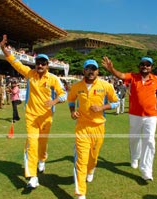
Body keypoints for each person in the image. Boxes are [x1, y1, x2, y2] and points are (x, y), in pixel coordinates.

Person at [0, 34, 67, 188]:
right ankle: (33, 177)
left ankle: (42, 160)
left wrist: (54, 101)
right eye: (38, 63)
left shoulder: (53, 79)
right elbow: (15, 63)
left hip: (46, 117)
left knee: (42, 145)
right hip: (31, 116)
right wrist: (4, 49)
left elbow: (64, 95)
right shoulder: (30, 74)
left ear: (47, 65)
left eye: (43, 63)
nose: (40, 66)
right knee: (31, 144)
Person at [102, 56, 157, 181]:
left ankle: (146, 170)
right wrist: (111, 69)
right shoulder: (133, 77)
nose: (145, 67)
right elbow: (121, 75)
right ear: (139, 66)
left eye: (148, 65)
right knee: (134, 139)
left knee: (150, 141)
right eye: (143, 64)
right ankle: (135, 157)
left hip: (151, 115)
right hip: (135, 114)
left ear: (151, 67)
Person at [67, 59, 118, 199]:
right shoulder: (77, 86)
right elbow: (71, 100)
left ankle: (91, 169)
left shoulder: (105, 85)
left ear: (98, 71)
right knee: (81, 160)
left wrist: (101, 107)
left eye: (93, 69)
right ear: (84, 71)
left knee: (93, 157)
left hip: (98, 127)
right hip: (82, 127)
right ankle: (80, 193)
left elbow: (116, 102)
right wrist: (72, 111)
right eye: (88, 68)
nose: (91, 71)